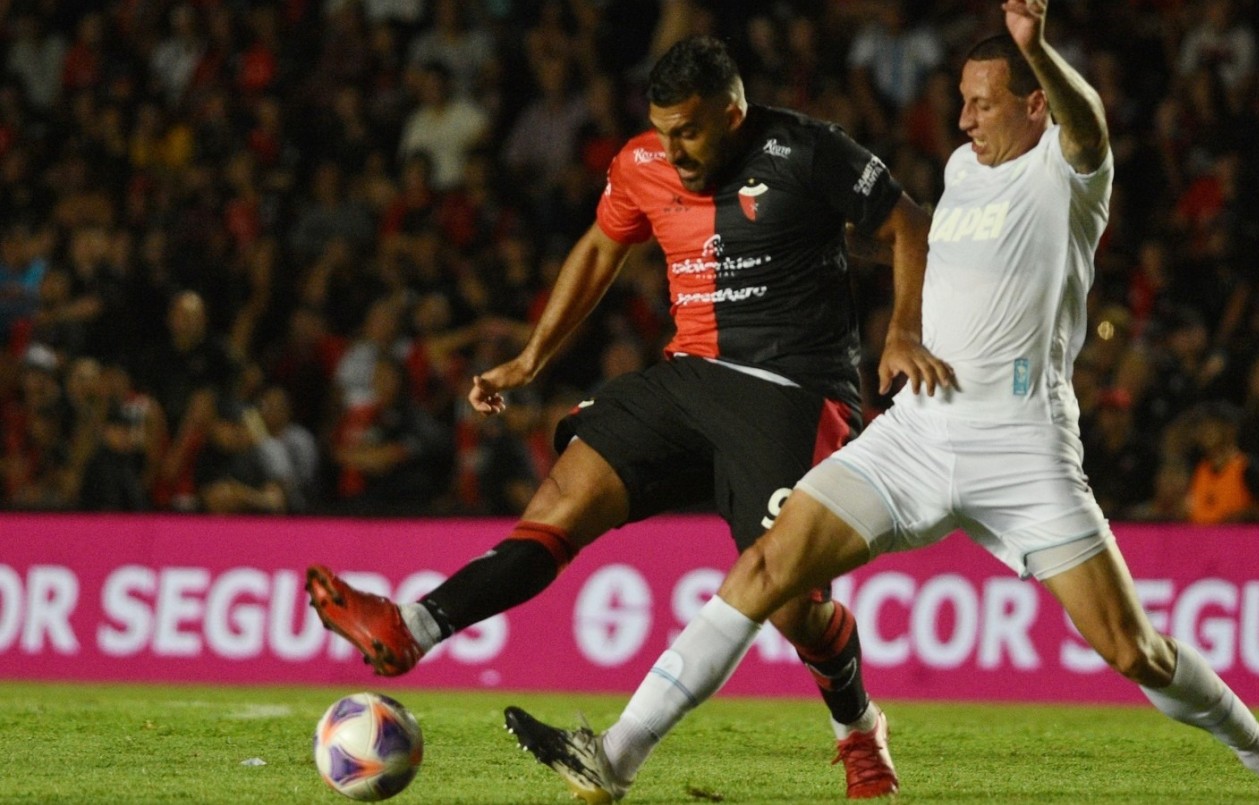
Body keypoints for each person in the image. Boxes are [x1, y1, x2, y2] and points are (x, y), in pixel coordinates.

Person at [502, 4, 1259, 802]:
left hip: (1022, 448)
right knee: (767, 571)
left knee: (1132, 648)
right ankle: (612, 758)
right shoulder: (963, 168)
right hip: (918, 433)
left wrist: (1042, 51)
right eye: (961, 100)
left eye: (985, 101)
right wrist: (903, 331)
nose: (963, 120)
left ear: (1034, 104)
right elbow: (928, 252)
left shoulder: (1069, 177)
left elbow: (1089, 126)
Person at [305, 34, 940, 798]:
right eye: (663, 130)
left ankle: (859, 728)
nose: (673, 149)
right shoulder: (641, 164)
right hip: (688, 377)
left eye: (691, 131)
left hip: (793, 389)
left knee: (796, 611)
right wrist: (533, 358)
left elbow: (908, 223)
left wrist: (902, 330)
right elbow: (601, 250)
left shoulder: (805, 149)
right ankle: (414, 625)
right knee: (560, 502)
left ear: (733, 112)